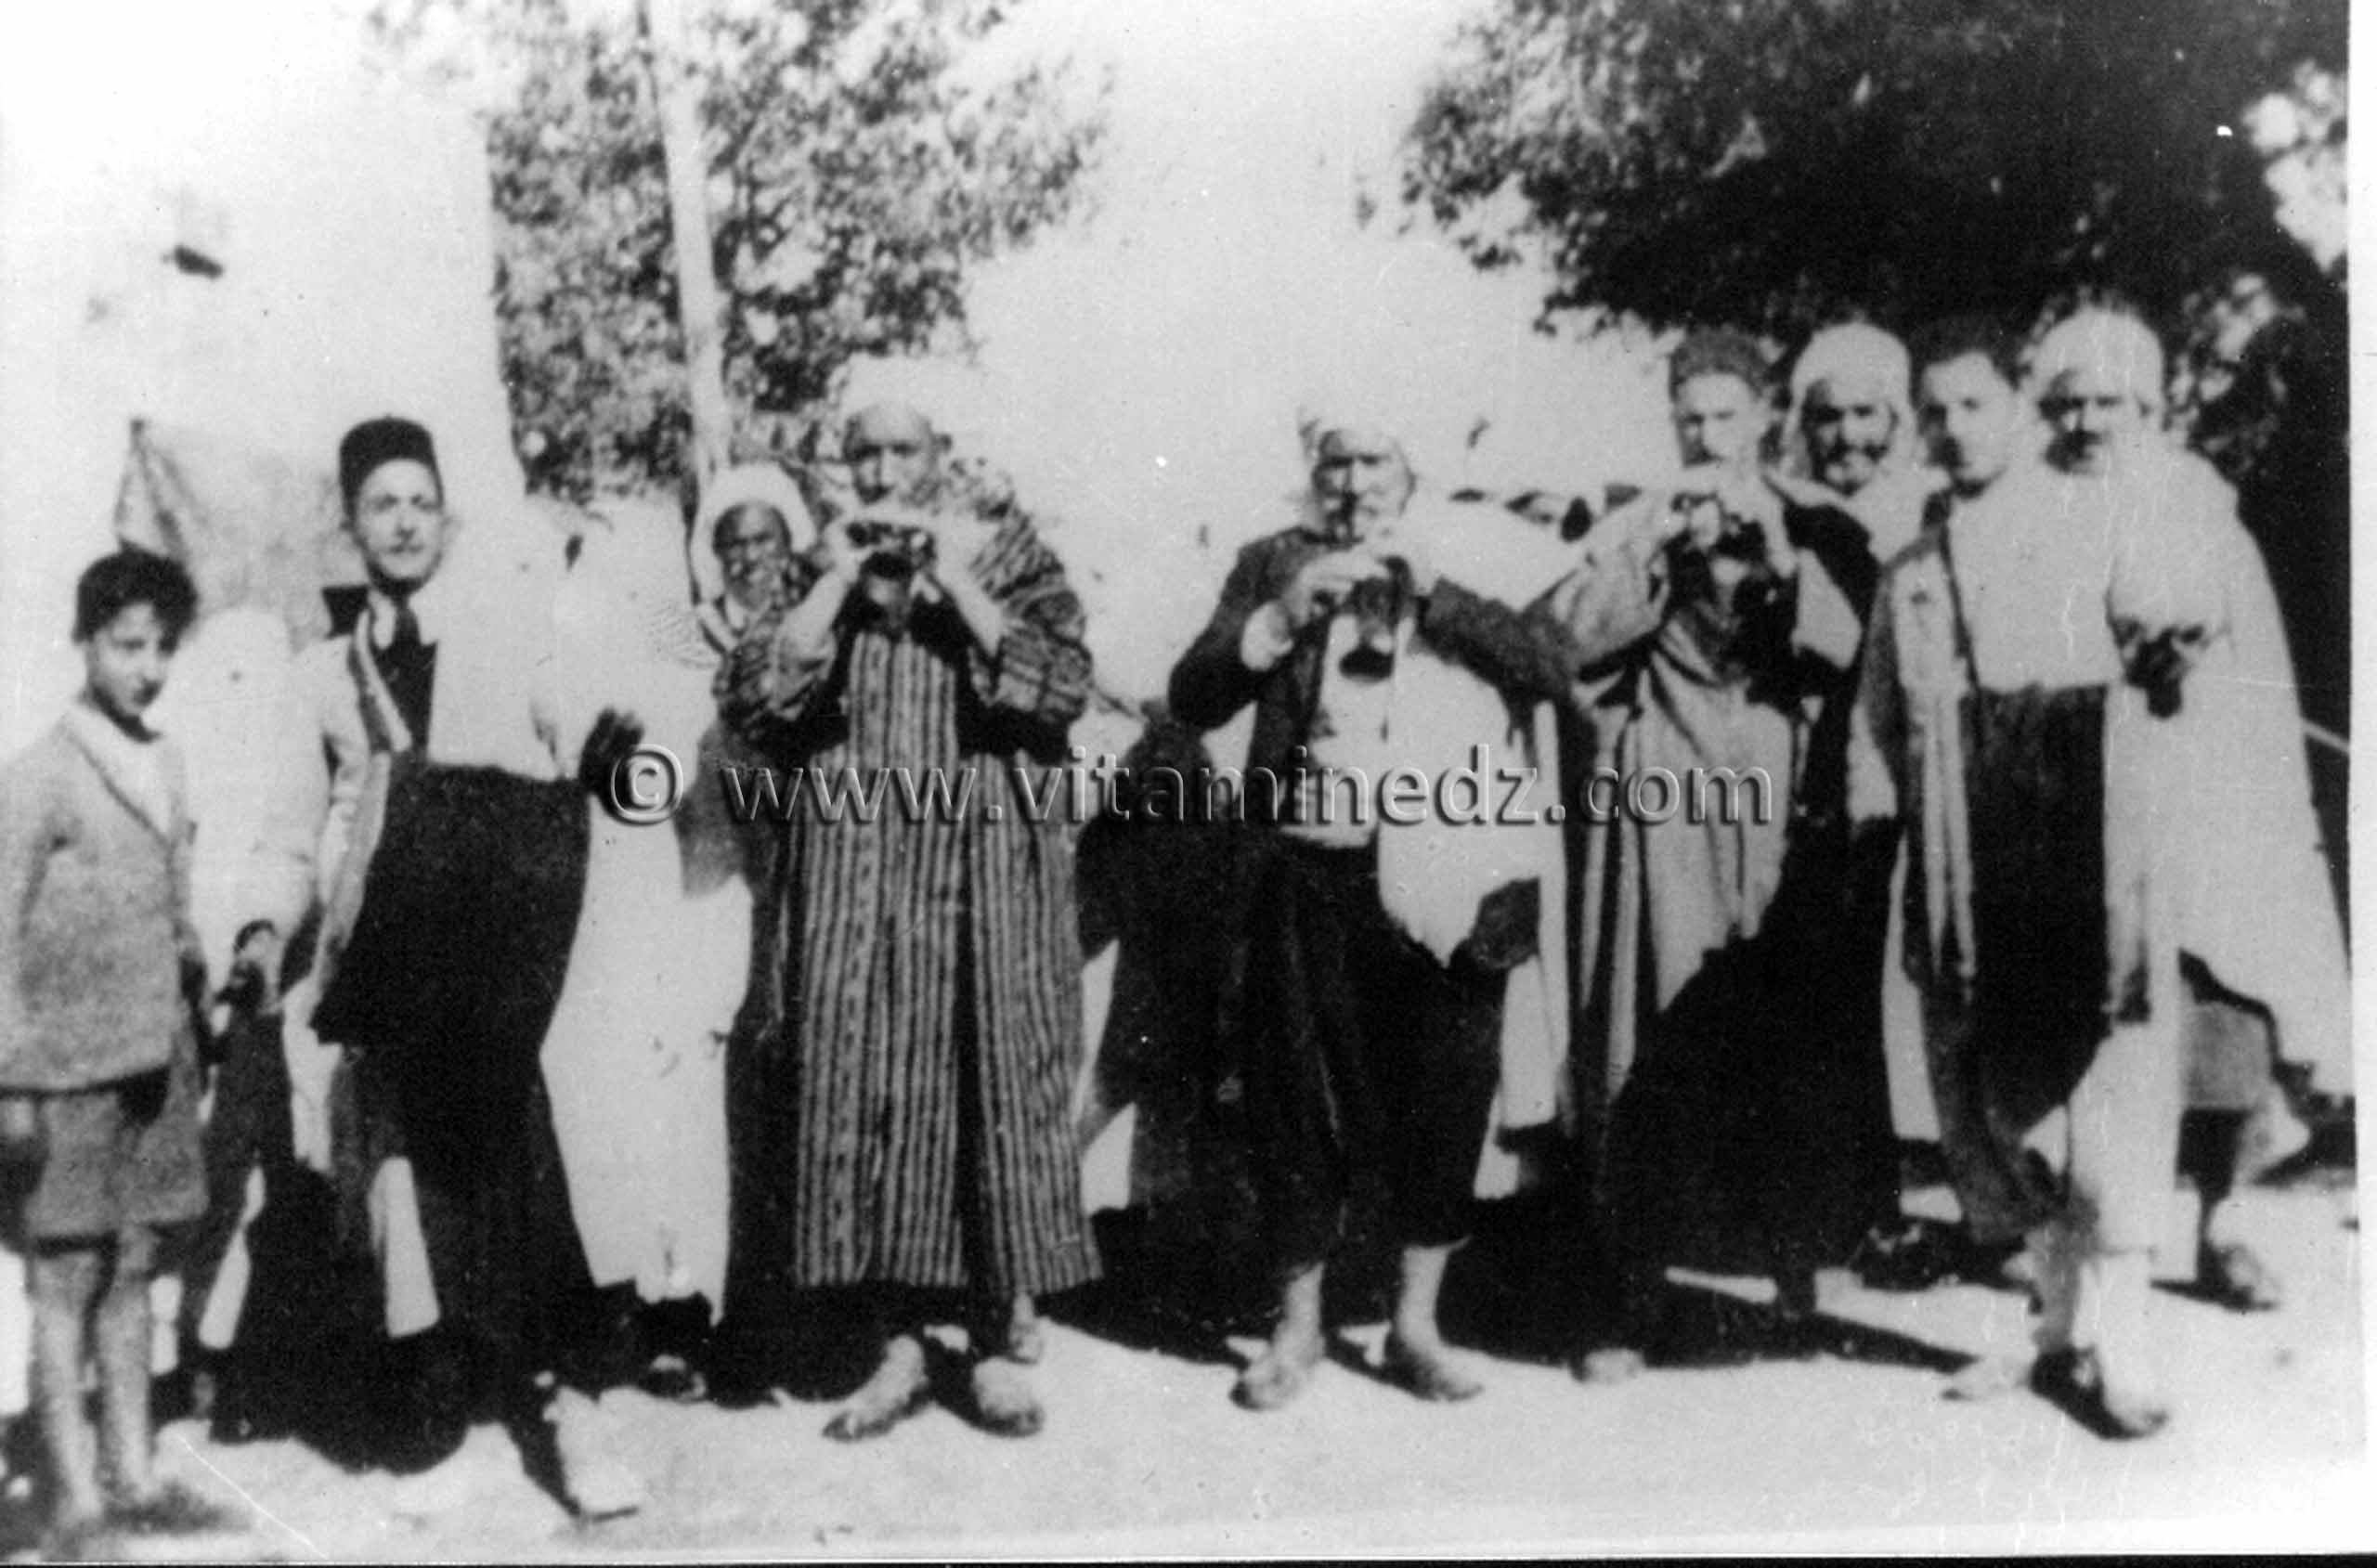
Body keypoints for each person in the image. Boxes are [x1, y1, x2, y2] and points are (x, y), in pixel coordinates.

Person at [1167, 401, 1584, 1412]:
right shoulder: (1274, 559)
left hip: (1448, 862)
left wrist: (1435, 596)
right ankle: (1298, 1326)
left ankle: (1413, 1325)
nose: (1353, 484)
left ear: (1412, 468)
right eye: (1335, 463)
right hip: (1306, 862)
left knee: (1442, 1089)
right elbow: (1193, 694)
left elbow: (1552, 669)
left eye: (1376, 462)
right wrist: (1277, 619)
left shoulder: (1474, 546)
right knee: (1289, 1097)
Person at [289, 416, 650, 1512]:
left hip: (499, 939)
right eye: (379, 504)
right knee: (422, 1177)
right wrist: (303, 917)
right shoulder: (325, 667)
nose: (401, 522)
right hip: (394, 945)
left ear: (446, 515)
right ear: (350, 526)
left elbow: (578, 721)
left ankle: (575, 1409)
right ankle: (456, 1395)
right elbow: (316, 810)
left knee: (531, 1160)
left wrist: (609, 746)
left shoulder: (503, 628)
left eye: (418, 501)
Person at [717, 400, 1096, 1440]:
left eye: (904, 450)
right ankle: (896, 1349)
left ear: (942, 456)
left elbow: (1062, 686)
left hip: (980, 873)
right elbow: (751, 698)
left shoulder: (1011, 555)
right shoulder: (815, 569)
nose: (884, 469)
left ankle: (987, 1346)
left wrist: (954, 580)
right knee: (867, 1092)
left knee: (987, 1094)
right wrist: (838, 580)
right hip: (856, 877)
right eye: (864, 453)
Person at [1563, 329, 1890, 1382]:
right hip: (1662, 789)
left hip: (1774, 792)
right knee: (1646, 1016)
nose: (1706, 437)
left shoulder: (1814, 521)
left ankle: (1793, 1274)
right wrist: (1655, 551)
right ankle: (1631, 1288)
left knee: (1775, 1026)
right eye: (1688, 419)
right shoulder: (1635, 521)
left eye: (1724, 417)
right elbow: (1573, 647)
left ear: (1762, 419)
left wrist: (1779, 558)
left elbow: (1846, 655)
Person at [2031, 308, 2352, 1318]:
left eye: (2109, 401)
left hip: (2195, 788)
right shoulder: (2028, 504)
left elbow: (2241, 654)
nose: (2087, 419)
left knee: (2218, 1013)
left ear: (2149, 406)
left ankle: (2218, 1225)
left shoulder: (2196, 506)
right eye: (2068, 400)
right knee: (2088, 1021)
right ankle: (2071, 1243)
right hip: (2076, 792)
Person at [0, 551, 237, 1542]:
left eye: (161, 648)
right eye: (125, 645)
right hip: (64, 1072)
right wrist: (8, 1079)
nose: (145, 667)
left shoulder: (167, 758)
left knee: (138, 1269)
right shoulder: (41, 775)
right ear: (84, 643)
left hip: (157, 1060)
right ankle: (77, 1502)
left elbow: (173, 907)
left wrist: (201, 995)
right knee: (65, 1275)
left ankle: (134, 1476)